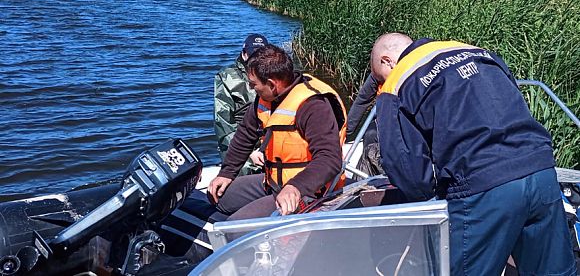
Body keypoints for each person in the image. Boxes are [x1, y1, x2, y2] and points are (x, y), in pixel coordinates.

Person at [370, 33, 576, 276]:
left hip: (483, 187)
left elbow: (407, 168)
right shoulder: (478, 53)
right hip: (540, 170)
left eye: (378, 79)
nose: (382, 84)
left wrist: (431, 194)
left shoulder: (397, 81)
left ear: (387, 61)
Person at [208, 44, 347, 219]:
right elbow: (245, 134)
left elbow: (330, 159)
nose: (251, 89)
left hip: (308, 190)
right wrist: (226, 173)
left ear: (272, 84)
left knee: (234, 226)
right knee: (218, 197)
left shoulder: (313, 106)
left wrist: (295, 187)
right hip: (274, 181)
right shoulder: (265, 98)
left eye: (254, 84)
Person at [214, 33, 268, 175]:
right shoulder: (226, 77)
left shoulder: (271, 74)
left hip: (266, 140)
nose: (257, 61)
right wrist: (249, 153)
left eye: (262, 56)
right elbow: (223, 123)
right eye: (253, 55)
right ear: (244, 54)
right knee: (244, 175)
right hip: (238, 143)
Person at [346, 73, 384, 178]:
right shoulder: (379, 72)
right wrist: (345, 132)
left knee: (372, 134)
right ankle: (365, 183)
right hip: (382, 122)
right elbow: (363, 100)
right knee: (371, 133)